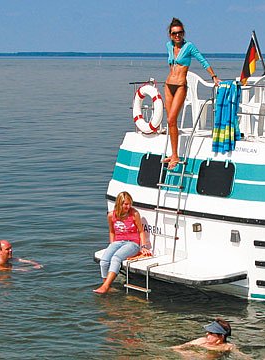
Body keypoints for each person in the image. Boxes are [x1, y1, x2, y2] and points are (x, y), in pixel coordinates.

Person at [161, 18, 221, 169]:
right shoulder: (169, 46)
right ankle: (173, 153)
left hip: (181, 85)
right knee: (170, 122)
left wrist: (213, 76)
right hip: (168, 85)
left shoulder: (189, 46)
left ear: (183, 33)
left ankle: (175, 156)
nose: (177, 36)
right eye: (174, 33)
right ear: (170, 34)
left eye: (180, 33)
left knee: (172, 119)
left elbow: (203, 61)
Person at [94, 191, 152, 294]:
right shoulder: (111, 215)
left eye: (129, 204)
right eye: (126, 204)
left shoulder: (134, 214)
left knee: (116, 258)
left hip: (132, 243)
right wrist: (112, 244)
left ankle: (105, 286)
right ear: (119, 203)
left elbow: (141, 231)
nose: (128, 206)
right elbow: (112, 231)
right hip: (118, 242)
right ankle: (107, 285)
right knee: (104, 261)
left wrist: (143, 246)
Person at [172, 318, 242, 355]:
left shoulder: (228, 347)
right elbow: (179, 347)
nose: (207, 334)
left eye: (211, 333)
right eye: (208, 332)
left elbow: (242, 356)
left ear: (221, 337)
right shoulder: (201, 341)